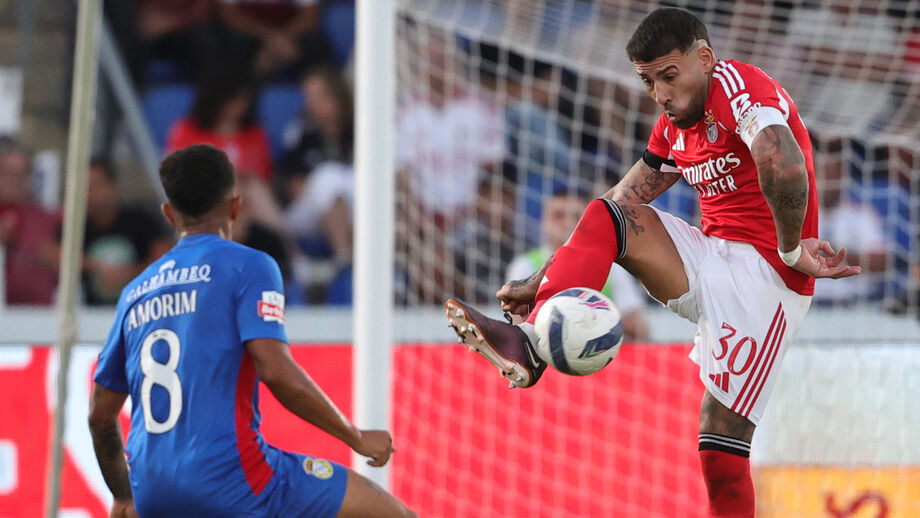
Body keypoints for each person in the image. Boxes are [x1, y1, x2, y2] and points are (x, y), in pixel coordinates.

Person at [445, 8, 860, 517]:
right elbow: (617, 203)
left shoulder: (739, 90)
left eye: (669, 75)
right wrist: (541, 279)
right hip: (710, 258)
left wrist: (794, 249)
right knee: (608, 214)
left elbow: (782, 160)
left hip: (766, 280)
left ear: (704, 59)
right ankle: (532, 343)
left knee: (721, 457)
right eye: (648, 81)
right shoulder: (673, 126)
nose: (661, 94)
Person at [88, 145, 416, 518]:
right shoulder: (249, 266)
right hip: (232, 481)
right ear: (235, 206)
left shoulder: (135, 292)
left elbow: (100, 415)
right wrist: (355, 437)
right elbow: (275, 371)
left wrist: (125, 496)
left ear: (168, 214)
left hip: (153, 492)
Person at [506, 185, 649, 341]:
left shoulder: (612, 267)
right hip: (542, 356)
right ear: (544, 223)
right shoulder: (525, 265)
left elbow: (639, 329)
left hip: (599, 355)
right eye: (558, 215)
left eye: (576, 217)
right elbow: (517, 328)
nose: (567, 222)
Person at [81, 158, 173, 305]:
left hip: (140, 308)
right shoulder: (78, 226)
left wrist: (130, 272)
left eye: (96, 185)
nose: (91, 193)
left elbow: (166, 257)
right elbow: (51, 252)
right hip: (89, 313)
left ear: (112, 185)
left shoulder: (139, 220)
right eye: (85, 187)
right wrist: (96, 267)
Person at [0, 136, 60, 305]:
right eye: (6, 173)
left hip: (37, 316)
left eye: (20, 174)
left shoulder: (49, 218)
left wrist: (59, 254)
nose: (13, 181)